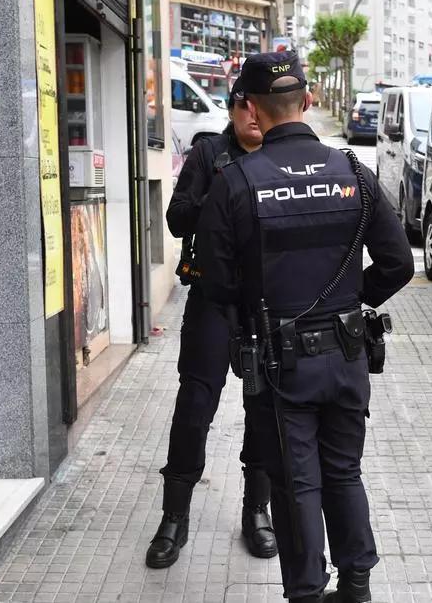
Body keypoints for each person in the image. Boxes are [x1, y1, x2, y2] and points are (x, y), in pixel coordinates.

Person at [196, 51, 414, 602]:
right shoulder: (353, 174)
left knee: (297, 484)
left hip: (280, 365)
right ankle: (357, 586)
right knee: (344, 470)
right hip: (346, 357)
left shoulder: (236, 182)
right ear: (309, 102)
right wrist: (348, 302)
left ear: (248, 106)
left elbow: (216, 284)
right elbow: (399, 264)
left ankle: (308, 593)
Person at [146, 79, 278, 569]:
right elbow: (177, 218)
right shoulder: (208, 155)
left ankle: (257, 512)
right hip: (210, 301)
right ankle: (173, 518)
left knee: (263, 409)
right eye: (243, 104)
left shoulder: (280, 158)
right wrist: (223, 198)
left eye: (258, 105)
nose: (251, 114)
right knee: (194, 406)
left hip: (264, 308)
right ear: (235, 107)